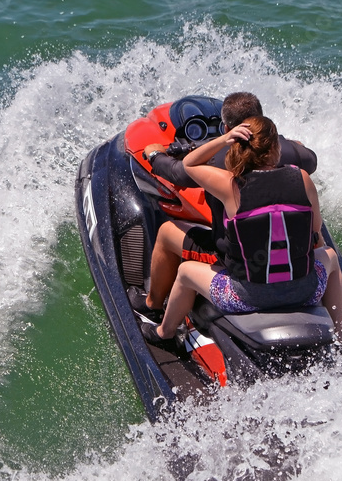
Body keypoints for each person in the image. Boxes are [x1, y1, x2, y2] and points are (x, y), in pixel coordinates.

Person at [140, 116, 342, 343]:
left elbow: (189, 164)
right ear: (276, 148)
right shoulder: (302, 178)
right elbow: (315, 230)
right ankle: (341, 337)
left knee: (186, 271)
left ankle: (164, 333)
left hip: (247, 297)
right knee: (330, 256)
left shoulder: (230, 185)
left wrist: (223, 140)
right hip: (305, 292)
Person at [133, 92, 317, 315]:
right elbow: (311, 159)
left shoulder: (223, 170)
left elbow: (178, 173)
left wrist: (155, 155)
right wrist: (288, 143)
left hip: (240, 265)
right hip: (293, 264)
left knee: (166, 232)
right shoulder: (293, 156)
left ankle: (152, 306)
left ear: (227, 128)